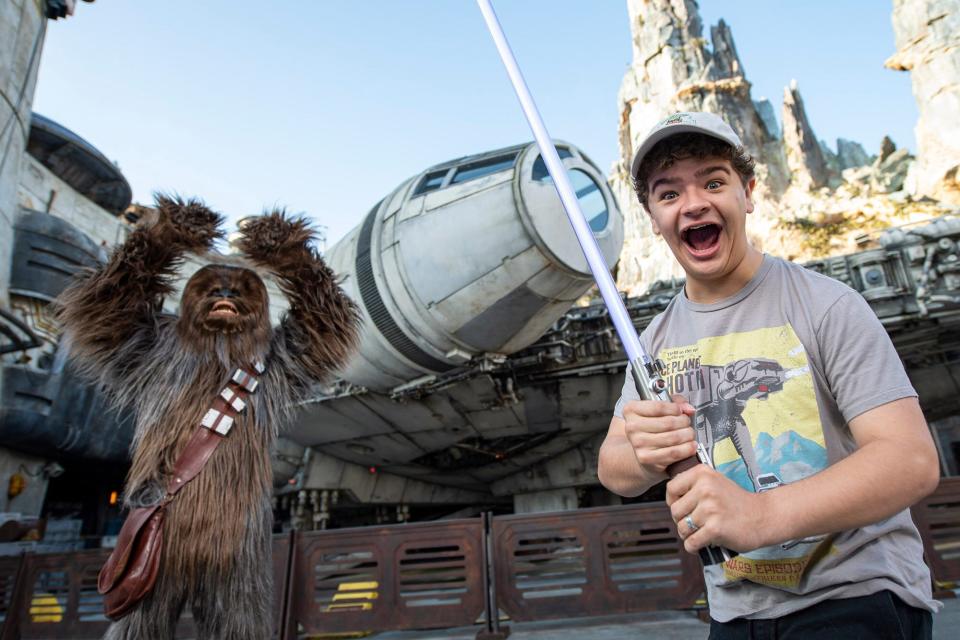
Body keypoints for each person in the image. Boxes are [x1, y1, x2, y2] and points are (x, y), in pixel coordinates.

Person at [597, 111, 941, 638]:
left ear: (749, 192)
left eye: (714, 181)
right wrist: (643, 453)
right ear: (652, 218)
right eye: (668, 194)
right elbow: (613, 466)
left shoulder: (826, 304)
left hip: (857, 595)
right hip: (736, 612)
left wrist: (761, 515)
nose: (693, 204)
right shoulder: (654, 344)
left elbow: (910, 460)